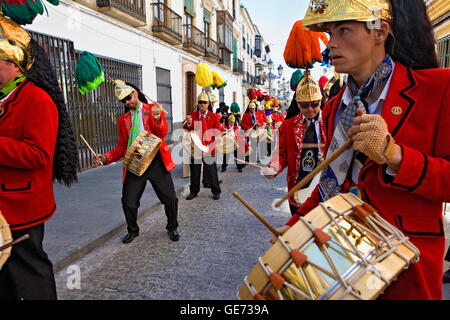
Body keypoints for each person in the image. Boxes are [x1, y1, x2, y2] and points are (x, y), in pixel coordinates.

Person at [273, 0, 450, 300]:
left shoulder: (438, 88)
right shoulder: (331, 109)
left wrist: (395, 155)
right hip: (341, 262)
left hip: (408, 265)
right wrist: (293, 228)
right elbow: (332, 183)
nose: (331, 44)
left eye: (343, 30)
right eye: (330, 33)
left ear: (380, 32)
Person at [0, 15, 78, 299]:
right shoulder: (4, 98)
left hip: (22, 208)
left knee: (31, 275)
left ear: (12, 64)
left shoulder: (37, 99)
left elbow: (38, 155)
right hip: (3, 209)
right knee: (5, 275)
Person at [94, 81, 179, 243]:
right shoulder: (122, 120)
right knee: (128, 201)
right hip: (135, 162)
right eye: (122, 101)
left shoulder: (152, 109)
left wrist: (157, 116)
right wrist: (105, 158)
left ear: (135, 93)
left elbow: (161, 133)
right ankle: (133, 230)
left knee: (169, 198)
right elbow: (121, 147)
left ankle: (172, 226)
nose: (126, 103)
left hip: (156, 161)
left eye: (127, 98)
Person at [263, 72, 326, 215]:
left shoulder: (330, 121)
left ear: (320, 101)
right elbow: (281, 153)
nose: (310, 109)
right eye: (305, 106)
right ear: (298, 104)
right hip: (298, 192)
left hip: (325, 191)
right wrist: (274, 167)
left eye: (314, 104)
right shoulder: (288, 126)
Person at [183, 90, 222, 200]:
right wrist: (189, 122)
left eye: (205, 102)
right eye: (200, 102)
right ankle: (194, 191)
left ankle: (216, 191)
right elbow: (186, 129)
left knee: (211, 172)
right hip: (196, 148)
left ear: (208, 104)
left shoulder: (214, 116)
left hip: (209, 148)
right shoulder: (193, 115)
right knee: (195, 171)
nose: (202, 104)